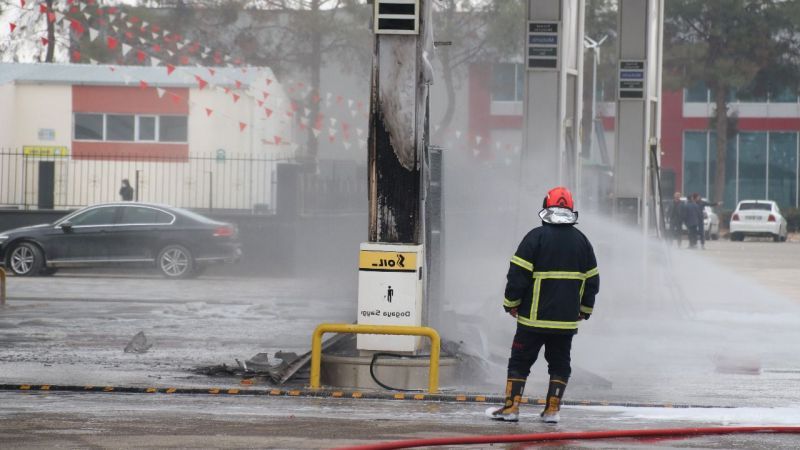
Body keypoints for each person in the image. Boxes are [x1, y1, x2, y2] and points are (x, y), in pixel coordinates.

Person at [486, 186, 599, 424]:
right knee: (559, 363)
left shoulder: (535, 238)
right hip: (565, 321)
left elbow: (517, 276)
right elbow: (592, 281)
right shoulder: (582, 242)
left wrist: (511, 304)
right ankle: (552, 411)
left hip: (532, 320)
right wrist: (584, 311)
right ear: (570, 208)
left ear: (546, 206)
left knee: (520, 361)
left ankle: (511, 409)